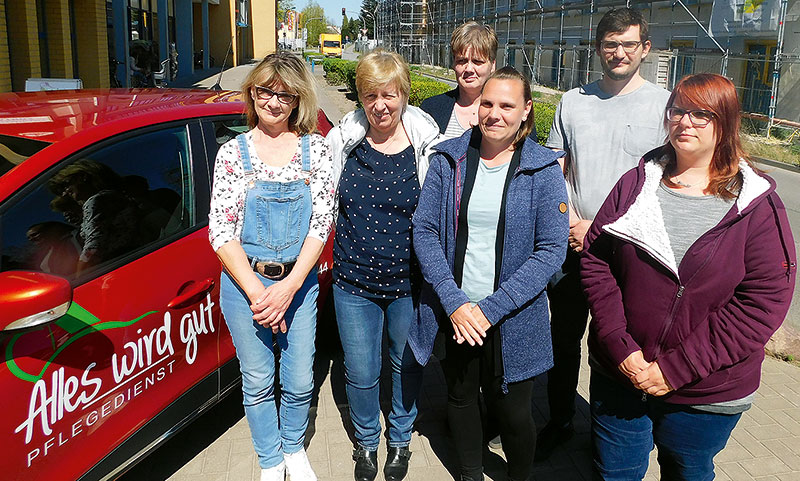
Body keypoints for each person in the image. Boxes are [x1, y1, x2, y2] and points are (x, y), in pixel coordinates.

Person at [581, 73, 796, 480]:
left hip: (706, 390)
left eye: (702, 114)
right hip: (621, 372)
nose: (686, 122)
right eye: (679, 110)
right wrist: (618, 344)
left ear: (726, 123)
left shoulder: (756, 206)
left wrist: (675, 369)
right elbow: (596, 259)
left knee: (687, 470)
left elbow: (762, 303)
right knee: (613, 473)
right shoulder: (637, 184)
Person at [410, 66, 569, 481]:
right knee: (460, 399)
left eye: (506, 105)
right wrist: (454, 300)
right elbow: (424, 229)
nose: (494, 113)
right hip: (457, 313)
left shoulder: (543, 169)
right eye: (487, 103)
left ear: (527, 110)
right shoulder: (450, 158)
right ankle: (469, 473)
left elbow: (551, 251)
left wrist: (490, 309)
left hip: (512, 317)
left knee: (514, 412)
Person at [537, 7, 671, 461]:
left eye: (628, 45)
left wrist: (603, 226)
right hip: (574, 243)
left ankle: (611, 432)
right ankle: (559, 420)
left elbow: (665, 178)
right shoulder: (573, 101)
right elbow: (555, 165)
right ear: (598, 49)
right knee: (564, 338)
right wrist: (572, 220)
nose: (619, 53)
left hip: (633, 250)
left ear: (645, 49)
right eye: (610, 44)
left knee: (620, 342)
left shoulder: (664, 105)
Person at [208, 52, 335, 481]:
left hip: (297, 286)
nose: (274, 101)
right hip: (246, 288)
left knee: (299, 379)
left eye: (285, 94)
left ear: (299, 99)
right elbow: (221, 232)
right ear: (252, 93)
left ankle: (295, 449)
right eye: (266, 91)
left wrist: (289, 288)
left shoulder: (314, 148)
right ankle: (270, 459)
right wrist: (260, 293)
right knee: (258, 379)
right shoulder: (231, 154)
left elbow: (321, 221)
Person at [325, 49, 439, 481]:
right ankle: (367, 444)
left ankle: (401, 439)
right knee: (361, 370)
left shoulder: (424, 144)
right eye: (370, 95)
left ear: (403, 94)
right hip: (353, 282)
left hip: (409, 282)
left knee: (406, 364)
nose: (380, 105)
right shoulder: (345, 141)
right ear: (360, 97)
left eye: (389, 94)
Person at [420, 22, 537, 145]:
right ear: (453, 64)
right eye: (462, 61)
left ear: (492, 65)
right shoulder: (431, 108)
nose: (469, 69)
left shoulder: (514, 113)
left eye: (477, 62)